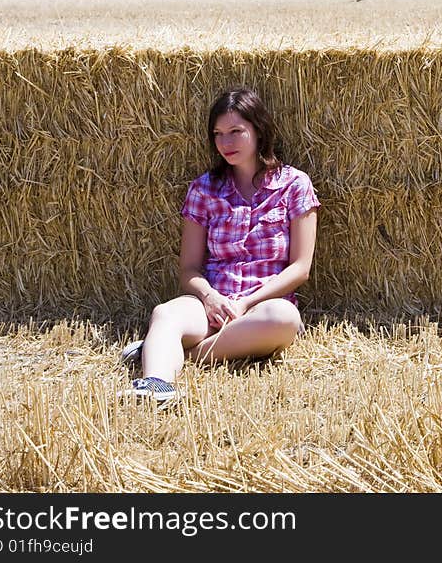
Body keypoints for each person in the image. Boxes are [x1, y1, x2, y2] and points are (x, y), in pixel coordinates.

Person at [118, 86, 320, 403]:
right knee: (166, 314)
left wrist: (244, 304)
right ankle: (155, 387)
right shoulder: (204, 189)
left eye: (236, 131)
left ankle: (181, 353)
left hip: (260, 310)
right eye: (218, 134)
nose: (225, 143)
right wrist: (211, 299)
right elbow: (189, 270)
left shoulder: (294, 184)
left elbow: (300, 269)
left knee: (285, 319)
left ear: (259, 130)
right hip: (211, 304)